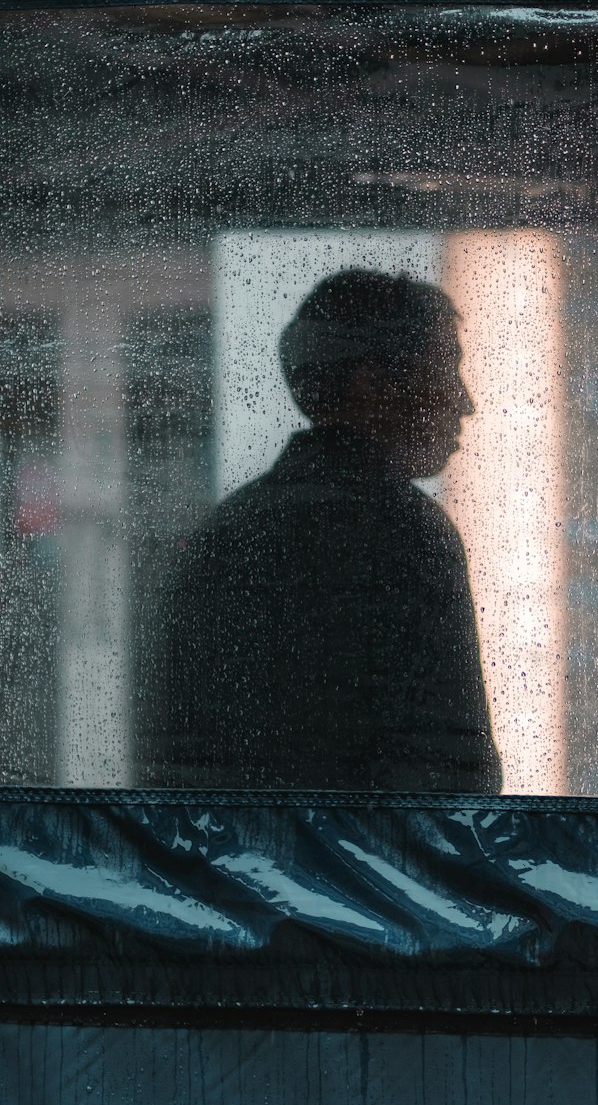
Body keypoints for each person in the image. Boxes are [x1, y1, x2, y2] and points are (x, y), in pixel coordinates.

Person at [139, 269, 502, 792]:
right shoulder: (404, 532)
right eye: (446, 371)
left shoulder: (229, 529)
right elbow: (451, 769)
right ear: (372, 383)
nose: (464, 401)